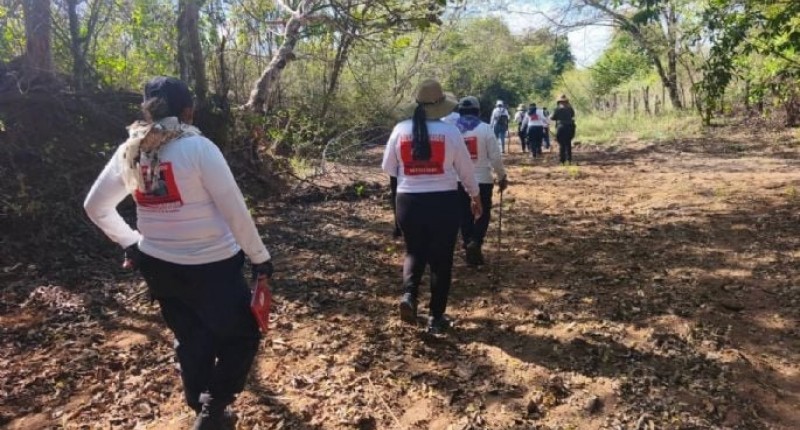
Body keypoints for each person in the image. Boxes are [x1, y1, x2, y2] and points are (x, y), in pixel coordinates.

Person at [84, 76, 273, 430]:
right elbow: (234, 209)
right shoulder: (199, 148)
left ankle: (201, 409)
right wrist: (260, 257)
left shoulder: (131, 150)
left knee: (192, 338)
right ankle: (213, 410)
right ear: (188, 110)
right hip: (213, 266)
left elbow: (95, 206)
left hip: (159, 267)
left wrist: (131, 242)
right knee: (242, 336)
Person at [382, 79, 482, 334]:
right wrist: (475, 196)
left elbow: (388, 168)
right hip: (443, 202)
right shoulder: (451, 133)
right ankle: (436, 318)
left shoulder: (400, 129)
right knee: (441, 260)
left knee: (414, 252)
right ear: (440, 106)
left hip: (408, 202)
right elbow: (466, 170)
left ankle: (409, 296)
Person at [454, 96, 508, 266]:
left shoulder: (451, 130)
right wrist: (502, 177)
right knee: (483, 213)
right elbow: (495, 157)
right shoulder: (485, 129)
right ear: (478, 111)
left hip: (458, 180)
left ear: (459, 111)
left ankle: (468, 241)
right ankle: (476, 241)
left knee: (464, 214)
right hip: (483, 179)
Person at [550, 94, 577, 164]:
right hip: (570, 127)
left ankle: (562, 160)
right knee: (568, 143)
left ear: (559, 102)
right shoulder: (570, 108)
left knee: (562, 144)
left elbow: (552, 117)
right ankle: (569, 160)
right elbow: (572, 115)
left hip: (561, 127)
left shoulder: (557, 109)